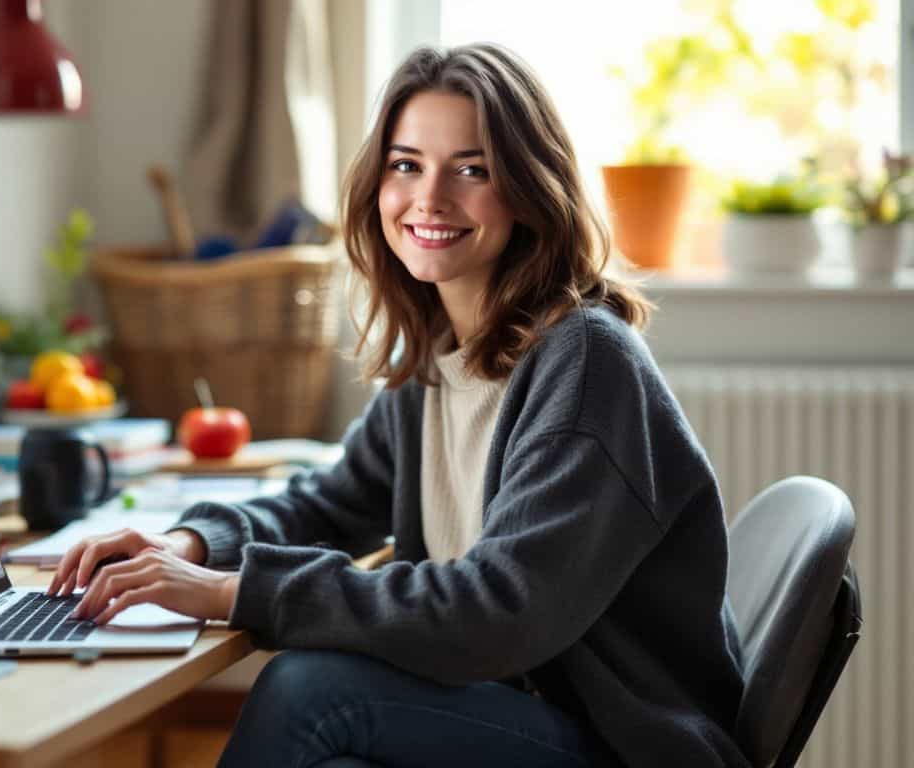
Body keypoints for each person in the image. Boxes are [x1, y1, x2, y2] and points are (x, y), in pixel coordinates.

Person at [48, 43, 749, 768]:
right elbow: (329, 505)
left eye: (472, 170)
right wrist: (188, 547)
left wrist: (230, 592)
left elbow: (497, 613)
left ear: (529, 189)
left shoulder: (586, 365)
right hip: (509, 712)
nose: (429, 198)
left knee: (309, 691)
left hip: (623, 745)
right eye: (406, 165)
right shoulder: (441, 352)